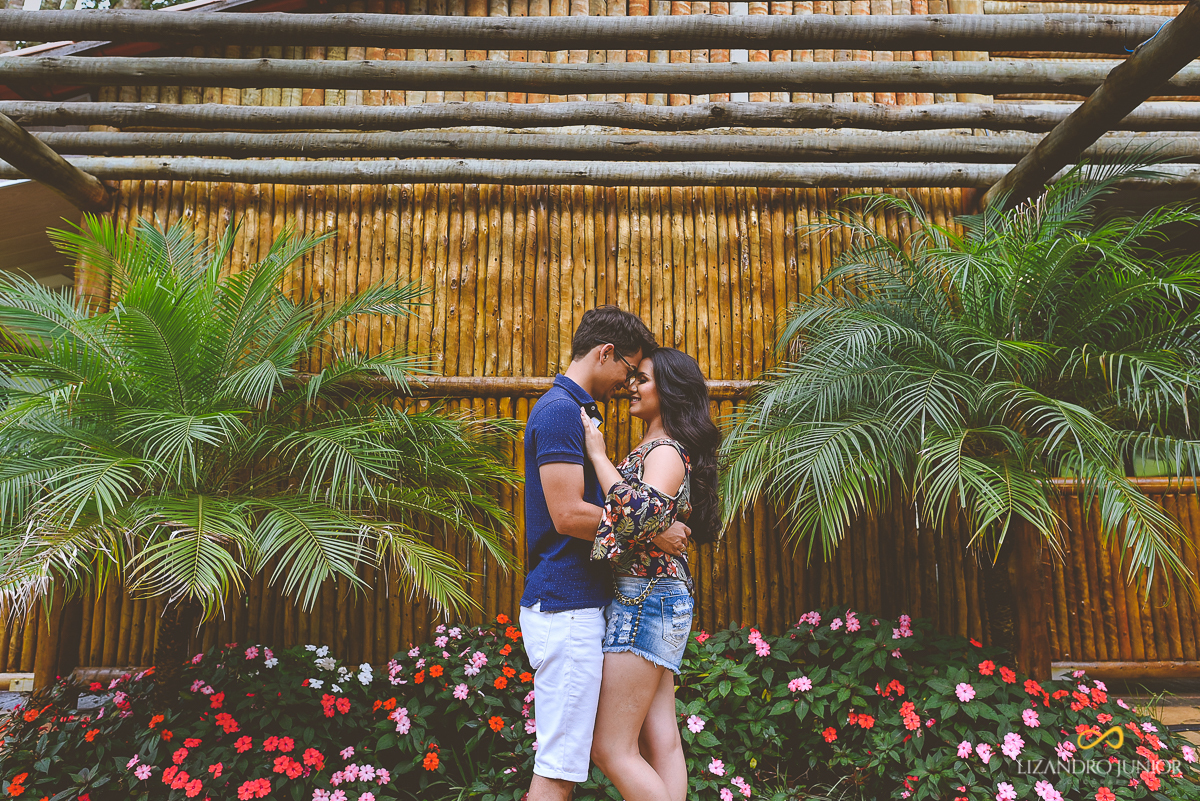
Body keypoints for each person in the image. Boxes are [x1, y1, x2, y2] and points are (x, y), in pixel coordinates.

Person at [519, 306, 689, 801]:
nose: (627, 383)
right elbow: (569, 514)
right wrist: (651, 532)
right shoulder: (559, 412)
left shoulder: (580, 414)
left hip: (581, 603)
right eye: (628, 369)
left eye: (640, 377)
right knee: (560, 764)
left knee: (570, 758)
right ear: (605, 353)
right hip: (565, 604)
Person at [580, 347, 723, 801]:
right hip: (656, 594)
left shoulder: (664, 451)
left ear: (670, 390)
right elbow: (651, 521)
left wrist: (599, 457)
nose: (630, 387)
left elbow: (638, 516)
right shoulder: (658, 447)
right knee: (658, 738)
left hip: (645, 597)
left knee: (610, 748)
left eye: (642, 379)